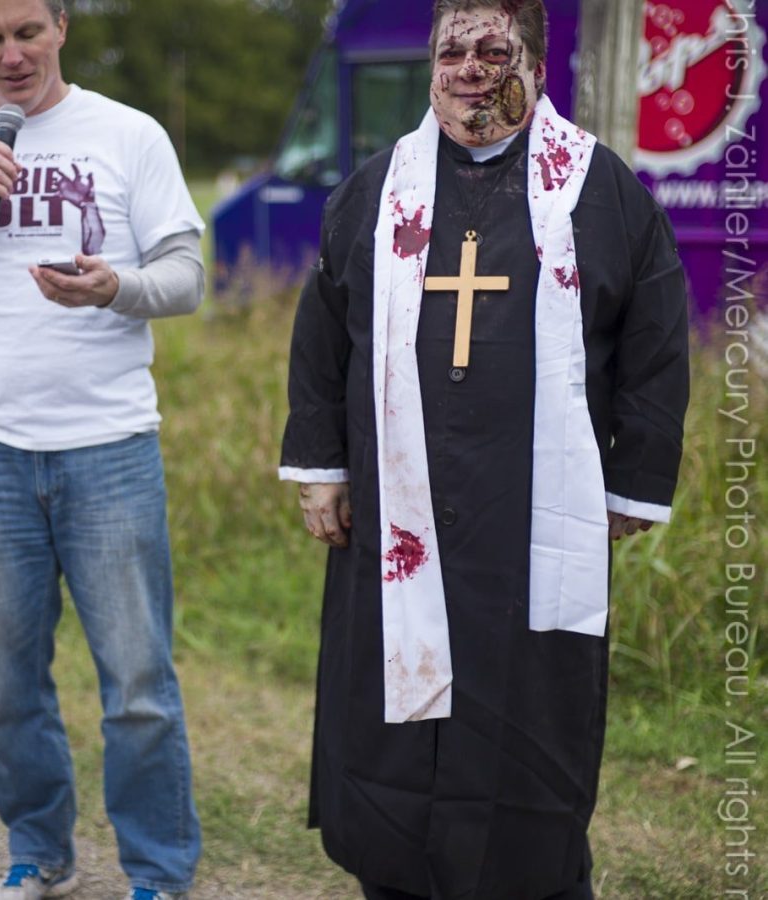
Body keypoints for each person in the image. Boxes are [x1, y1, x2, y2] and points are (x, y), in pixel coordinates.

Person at [279, 1, 690, 898]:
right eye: (450, 50)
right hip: (397, 514)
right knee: (389, 731)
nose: (469, 67)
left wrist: (633, 485)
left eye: (492, 49)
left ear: (536, 64)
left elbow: (658, 347)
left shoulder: (601, 191)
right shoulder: (375, 191)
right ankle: (394, 874)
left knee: (525, 735)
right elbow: (323, 340)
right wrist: (320, 469)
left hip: (528, 520)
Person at [0, 1, 204, 898]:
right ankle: (40, 856)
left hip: (109, 450)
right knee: (9, 685)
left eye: (28, 32)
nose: (11, 54)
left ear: (61, 27)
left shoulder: (127, 134)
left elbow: (186, 276)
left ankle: (158, 872)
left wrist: (113, 287)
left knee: (138, 684)